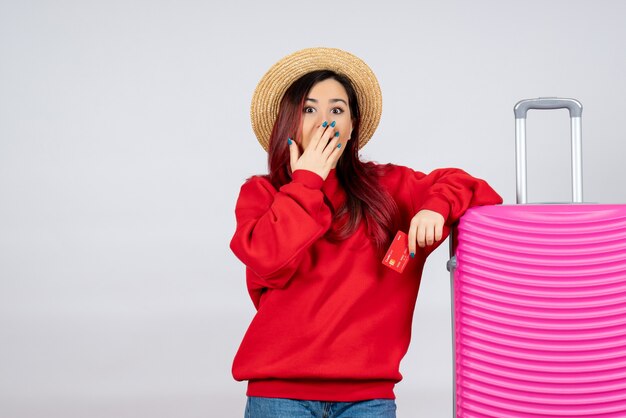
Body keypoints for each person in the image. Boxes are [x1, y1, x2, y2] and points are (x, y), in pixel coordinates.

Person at [230, 47, 502, 418]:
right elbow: (267, 257)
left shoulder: (389, 187)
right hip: (279, 396)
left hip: (369, 399)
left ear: (353, 123)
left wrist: (434, 207)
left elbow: (472, 187)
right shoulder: (262, 194)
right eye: (309, 109)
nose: (324, 121)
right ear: (288, 121)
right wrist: (307, 181)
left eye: (337, 110)